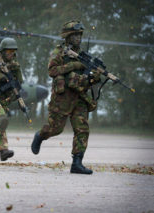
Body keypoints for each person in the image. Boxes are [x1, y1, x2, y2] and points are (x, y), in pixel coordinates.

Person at [31, 21, 101, 174]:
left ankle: (77, 163)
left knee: (82, 129)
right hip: (63, 98)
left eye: (79, 35)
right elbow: (52, 70)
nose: (78, 38)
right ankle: (40, 135)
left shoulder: (83, 56)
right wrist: (74, 66)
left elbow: (87, 77)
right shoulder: (60, 52)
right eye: (75, 35)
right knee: (55, 129)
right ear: (67, 36)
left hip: (80, 97)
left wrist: (94, 76)